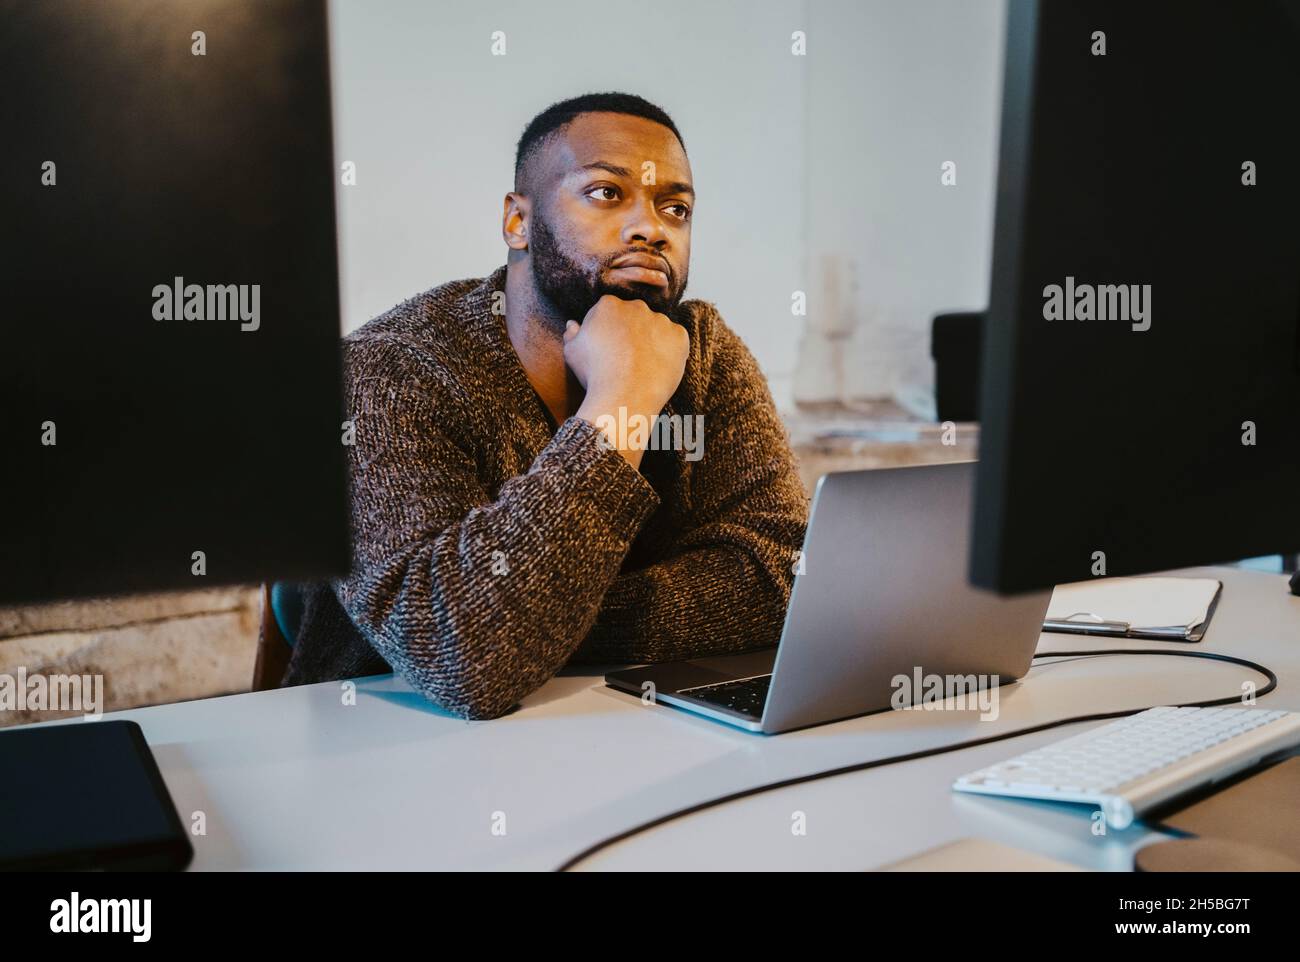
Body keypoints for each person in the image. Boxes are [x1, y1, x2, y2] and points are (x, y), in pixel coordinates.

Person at [282, 92, 808, 719]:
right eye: (606, 194)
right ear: (517, 222)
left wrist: (535, 619)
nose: (651, 229)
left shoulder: (707, 354)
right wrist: (623, 402)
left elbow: (787, 580)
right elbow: (466, 656)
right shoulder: (384, 370)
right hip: (390, 754)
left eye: (676, 207)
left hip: (626, 732)